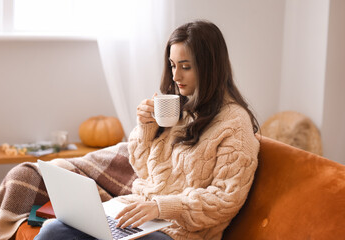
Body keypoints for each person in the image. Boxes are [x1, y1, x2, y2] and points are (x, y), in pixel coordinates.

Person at [34, 20, 260, 240]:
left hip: (180, 232)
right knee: (52, 231)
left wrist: (161, 207)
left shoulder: (235, 124)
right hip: (139, 214)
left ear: (210, 67)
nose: (175, 76)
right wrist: (146, 128)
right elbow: (143, 169)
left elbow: (224, 199)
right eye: (172, 65)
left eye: (186, 67)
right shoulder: (180, 108)